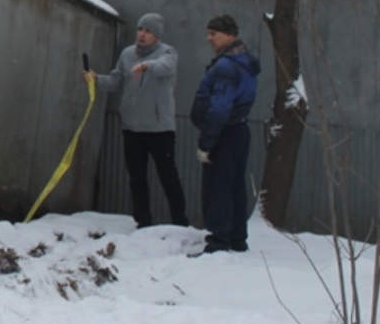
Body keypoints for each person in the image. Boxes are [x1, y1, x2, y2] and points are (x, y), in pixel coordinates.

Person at [85, 13, 188, 228]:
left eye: (148, 31)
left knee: (168, 177)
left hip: (160, 129)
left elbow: (165, 66)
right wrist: (96, 80)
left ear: (157, 36)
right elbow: (117, 80)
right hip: (132, 127)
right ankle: (143, 222)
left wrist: (147, 66)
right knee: (137, 178)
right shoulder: (127, 54)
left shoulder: (168, 52)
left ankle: (180, 223)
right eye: (140, 29)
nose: (142, 34)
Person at [190, 13, 260, 254]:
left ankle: (219, 241)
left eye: (213, 33)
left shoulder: (226, 66)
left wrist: (206, 143)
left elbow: (219, 108)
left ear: (229, 35)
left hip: (225, 132)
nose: (208, 38)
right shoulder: (244, 61)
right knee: (234, 186)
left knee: (217, 187)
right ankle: (237, 237)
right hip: (239, 130)